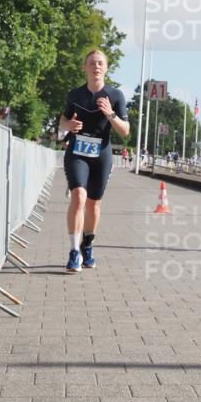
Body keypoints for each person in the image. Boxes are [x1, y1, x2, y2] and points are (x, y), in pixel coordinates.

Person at [59, 49, 130, 273]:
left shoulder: (115, 96)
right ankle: (74, 252)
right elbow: (63, 119)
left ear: (106, 68)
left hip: (101, 153)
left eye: (100, 63)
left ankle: (87, 245)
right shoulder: (75, 95)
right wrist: (68, 126)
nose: (96, 66)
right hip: (77, 151)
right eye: (92, 63)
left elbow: (125, 131)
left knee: (93, 204)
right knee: (79, 196)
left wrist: (110, 114)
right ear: (85, 68)